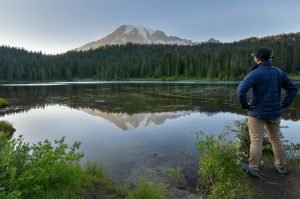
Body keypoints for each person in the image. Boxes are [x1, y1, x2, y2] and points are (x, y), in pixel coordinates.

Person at [237, 48, 298, 177]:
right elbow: (293, 89)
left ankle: (254, 167)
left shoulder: (255, 73)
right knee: (276, 139)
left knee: (256, 140)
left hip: (256, 113)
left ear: (257, 59)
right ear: (270, 58)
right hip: (275, 112)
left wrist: (245, 105)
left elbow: (241, 91)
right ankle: (281, 166)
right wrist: (284, 103)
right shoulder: (278, 72)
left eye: (254, 57)